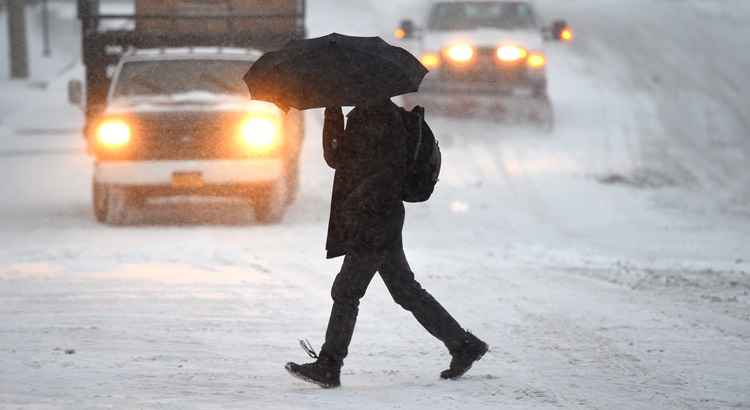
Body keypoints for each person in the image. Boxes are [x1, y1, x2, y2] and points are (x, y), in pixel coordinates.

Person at [285, 99, 488, 388]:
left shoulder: (384, 120)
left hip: (375, 217)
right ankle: (463, 345)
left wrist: (360, 199)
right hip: (376, 217)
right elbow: (336, 158)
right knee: (405, 290)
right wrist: (333, 113)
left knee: (347, 290)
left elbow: (384, 173)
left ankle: (330, 365)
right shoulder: (363, 115)